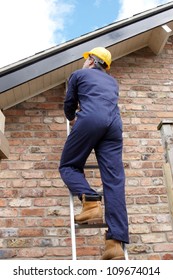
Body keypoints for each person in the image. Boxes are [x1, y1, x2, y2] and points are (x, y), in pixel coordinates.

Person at [59, 47, 129, 260]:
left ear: (91, 60)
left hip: (91, 119)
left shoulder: (79, 74)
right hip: (114, 126)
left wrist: (71, 117)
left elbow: (69, 105)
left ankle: (90, 201)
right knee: (114, 181)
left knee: (68, 165)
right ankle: (114, 244)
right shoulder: (112, 82)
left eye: (86, 59)